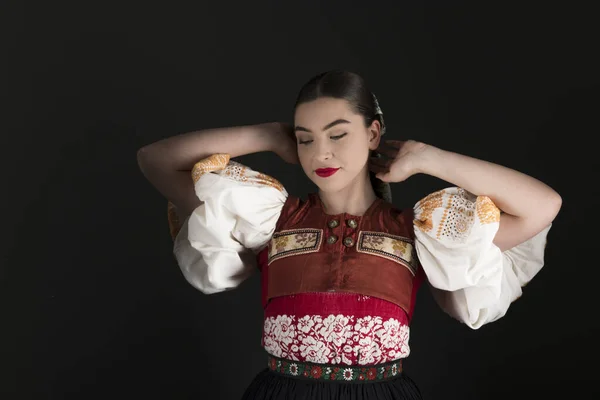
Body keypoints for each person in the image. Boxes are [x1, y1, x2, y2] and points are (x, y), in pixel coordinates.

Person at [137, 70, 562, 399]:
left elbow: (543, 206)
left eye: (338, 134)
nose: (321, 153)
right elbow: (155, 160)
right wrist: (265, 135)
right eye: (306, 139)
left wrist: (431, 159)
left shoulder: (419, 230)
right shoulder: (269, 218)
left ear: (373, 132)